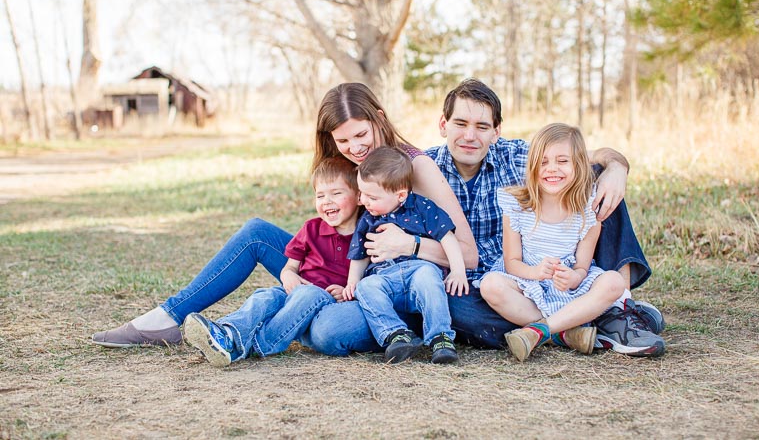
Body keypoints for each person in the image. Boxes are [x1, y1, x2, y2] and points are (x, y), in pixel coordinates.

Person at [91, 82, 478, 348]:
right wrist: (295, 269)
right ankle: (168, 318)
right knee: (257, 233)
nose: (354, 148)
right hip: (335, 278)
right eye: (342, 141)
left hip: (388, 291)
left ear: (379, 117)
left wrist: (409, 244)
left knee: (328, 334)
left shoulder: (413, 167)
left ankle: (300, 321)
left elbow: (468, 253)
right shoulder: (343, 165)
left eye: (361, 135)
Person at [305, 79, 666, 357]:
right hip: (476, 286)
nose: (469, 135)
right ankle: (589, 318)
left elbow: (588, 156)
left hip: (536, 270)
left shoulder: (518, 156)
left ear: (496, 130)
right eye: (460, 123)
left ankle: (620, 310)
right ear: (442, 124)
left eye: (481, 126)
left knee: (599, 185)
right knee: (459, 311)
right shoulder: (415, 170)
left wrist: (616, 167)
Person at [481, 123, 664, 361]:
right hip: (528, 282)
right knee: (490, 285)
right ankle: (566, 332)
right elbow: (512, 261)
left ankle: (541, 330)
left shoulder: (588, 211)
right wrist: (535, 272)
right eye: (543, 162)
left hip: (567, 287)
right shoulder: (517, 206)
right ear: (532, 165)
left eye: (562, 161)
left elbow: (582, 266)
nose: (552, 169)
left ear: (579, 165)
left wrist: (573, 278)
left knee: (613, 282)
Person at [180, 156, 359, 367]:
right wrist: (289, 276)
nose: (327, 201)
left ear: (358, 196)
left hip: (325, 303)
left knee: (309, 293)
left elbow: (361, 280)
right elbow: (290, 266)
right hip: (295, 296)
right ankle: (226, 333)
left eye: (336, 193)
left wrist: (345, 292)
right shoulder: (311, 229)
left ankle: (252, 346)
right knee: (265, 296)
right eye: (320, 195)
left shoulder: (363, 236)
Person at [342, 147, 468, 364]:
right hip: (385, 276)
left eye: (372, 196)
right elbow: (360, 253)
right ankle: (397, 335)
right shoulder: (369, 218)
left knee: (429, 277)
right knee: (366, 287)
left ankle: (441, 338)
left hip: (418, 270)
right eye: (362, 193)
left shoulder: (423, 207)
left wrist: (458, 271)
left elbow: (448, 238)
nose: (364, 201)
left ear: (400, 194)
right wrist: (352, 281)